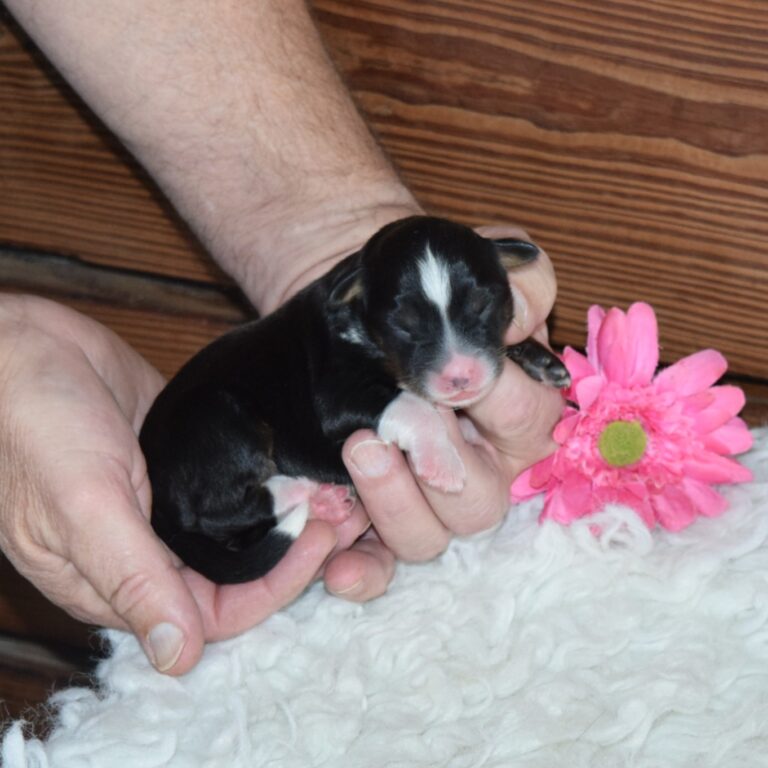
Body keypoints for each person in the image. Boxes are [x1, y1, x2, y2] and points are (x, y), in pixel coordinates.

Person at [0, 0, 563, 675]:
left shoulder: (345, 316)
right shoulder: (333, 354)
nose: (459, 364)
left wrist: (327, 224)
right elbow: (344, 405)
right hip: (213, 466)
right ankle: (258, 507)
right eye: (413, 328)